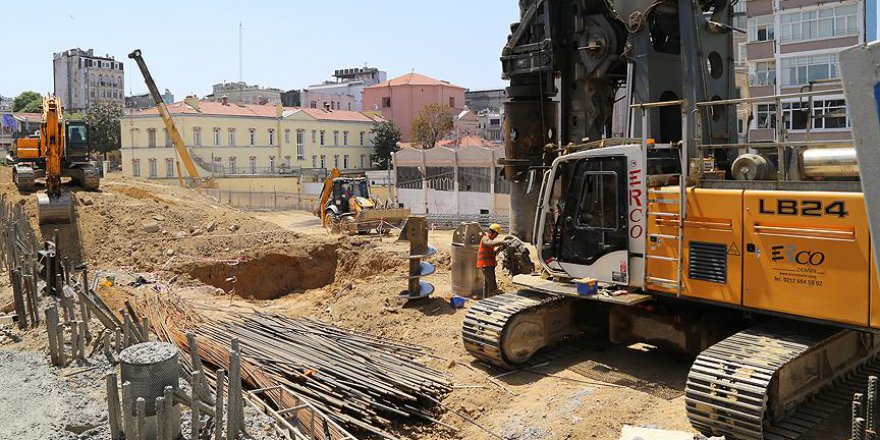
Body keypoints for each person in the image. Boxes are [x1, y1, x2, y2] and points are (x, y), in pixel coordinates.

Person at [477, 223, 508, 298]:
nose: (496, 237)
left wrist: (501, 248)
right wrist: (502, 242)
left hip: (488, 266)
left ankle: (486, 299)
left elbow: (492, 252)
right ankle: (492, 300)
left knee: (487, 285)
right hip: (486, 266)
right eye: (496, 235)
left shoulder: (490, 240)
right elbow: (490, 243)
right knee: (493, 286)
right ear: (492, 232)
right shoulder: (485, 239)